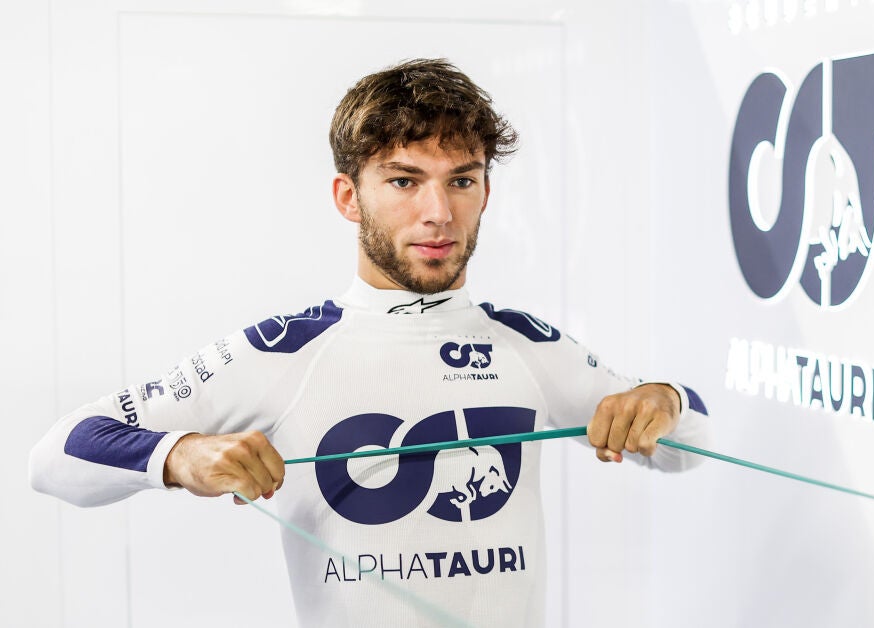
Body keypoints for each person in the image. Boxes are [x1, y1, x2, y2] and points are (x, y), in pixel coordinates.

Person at [29, 58, 709, 627]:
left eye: (461, 180)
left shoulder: (527, 346)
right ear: (348, 197)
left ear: (485, 192)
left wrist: (664, 400)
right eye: (404, 181)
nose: (438, 213)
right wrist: (179, 454)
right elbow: (56, 454)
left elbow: (691, 447)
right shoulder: (284, 352)